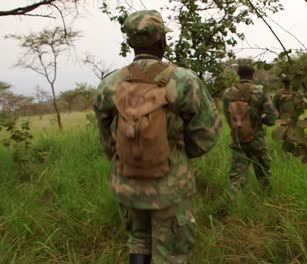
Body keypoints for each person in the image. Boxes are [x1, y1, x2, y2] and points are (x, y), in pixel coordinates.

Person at [93, 10, 221, 264]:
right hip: (169, 185)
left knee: (138, 238)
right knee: (171, 252)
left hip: (127, 181)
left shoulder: (110, 83)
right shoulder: (184, 79)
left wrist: (125, 158)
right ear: (162, 40)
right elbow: (206, 133)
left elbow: (105, 135)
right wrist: (177, 154)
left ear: (130, 43)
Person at [223, 65, 278, 191]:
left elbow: (227, 116)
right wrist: (259, 121)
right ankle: (267, 201)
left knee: (236, 178)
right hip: (257, 140)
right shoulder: (260, 91)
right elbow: (272, 118)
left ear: (239, 75)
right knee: (264, 175)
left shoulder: (227, 93)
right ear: (252, 75)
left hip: (237, 139)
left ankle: (231, 203)